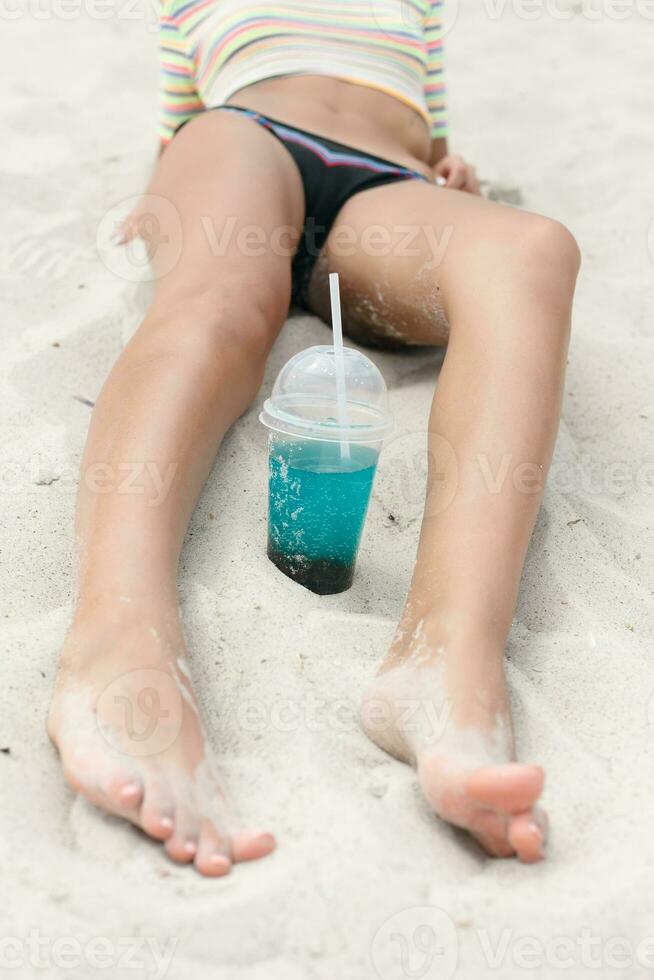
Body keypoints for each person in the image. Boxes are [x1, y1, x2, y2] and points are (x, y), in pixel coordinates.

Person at [48, 0, 581, 875]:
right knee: (221, 304)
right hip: (245, 142)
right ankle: (119, 638)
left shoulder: (421, 7)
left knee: (534, 250)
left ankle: (448, 663)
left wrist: (452, 170)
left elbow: (431, 130)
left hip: (385, 190)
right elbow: (173, 137)